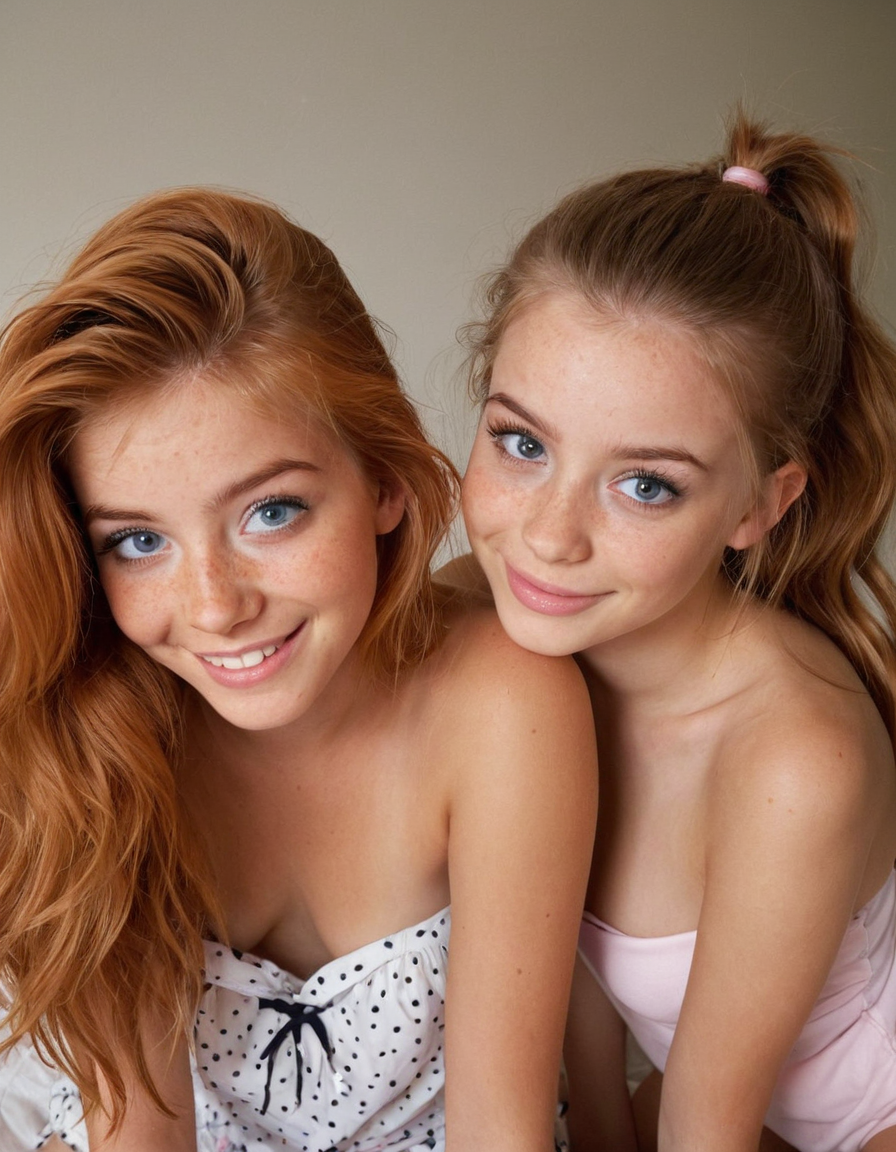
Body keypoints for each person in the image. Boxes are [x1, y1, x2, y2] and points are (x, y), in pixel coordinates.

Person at [0, 188, 598, 1152]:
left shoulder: (502, 704)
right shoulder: (99, 723)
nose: (213, 606)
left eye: (270, 512)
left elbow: (504, 1130)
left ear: (387, 481)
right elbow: (140, 1134)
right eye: (139, 540)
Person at [455, 113, 896, 1151]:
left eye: (644, 484)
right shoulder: (498, 622)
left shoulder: (793, 759)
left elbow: (705, 1130)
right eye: (520, 442)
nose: (549, 536)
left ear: (759, 505)